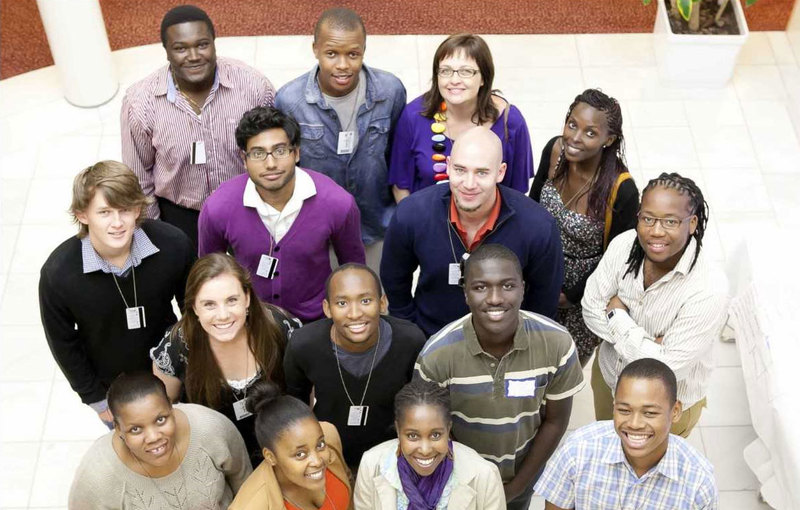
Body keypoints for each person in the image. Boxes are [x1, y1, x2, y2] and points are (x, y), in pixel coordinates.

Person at [415, 244, 584, 510]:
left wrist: (515, 489)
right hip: (457, 480)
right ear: (466, 294)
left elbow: (556, 420)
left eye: (507, 286)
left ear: (523, 288)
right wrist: (470, 481)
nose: (495, 298)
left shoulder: (557, 343)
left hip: (522, 477)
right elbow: (432, 432)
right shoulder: (437, 355)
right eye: (481, 287)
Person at [39, 161, 195, 428]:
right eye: (104, 212)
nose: (117, 223)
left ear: (138, 209)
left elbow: (192, 308)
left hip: (176, 374)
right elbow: (63, 342)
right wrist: (95, 398)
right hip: (114, 387)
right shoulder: (59, 273)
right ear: (83, 215)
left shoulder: (173, 244)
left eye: (125, 210)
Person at [582, 173, 729, 438]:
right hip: (610, 381)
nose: (656, 231)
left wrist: (617, 315)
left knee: (649, 473)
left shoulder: (709, 288)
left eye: (670, 221)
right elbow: (590, 307)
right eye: (648, 218)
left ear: (692, 223)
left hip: (665, 405)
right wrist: (651, 345)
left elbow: (669, 368)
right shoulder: (624, 245)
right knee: (606, 449)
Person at [381, 126, 563, 337]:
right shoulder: (412, 213)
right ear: (448, 166)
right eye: (460, 170)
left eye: (481, 172)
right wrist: (413, 334)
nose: (469, 184)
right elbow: (394, 281)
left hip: (505, 345)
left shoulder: (538, 226)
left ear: (500, 172)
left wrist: (518, 346)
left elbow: (543, 303)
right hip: (430, 337)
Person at [122, 5, 276, 247]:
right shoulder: (140, 103)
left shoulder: (254, 87)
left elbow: (276, 150)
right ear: (166, 52)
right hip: (181, 214)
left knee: (253, 276)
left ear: (214, 43)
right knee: (194, 281)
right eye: (180, 48)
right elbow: (138, 180)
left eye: (202, 44)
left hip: (248, 205)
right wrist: (157, 233)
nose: (193, 56)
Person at [198, 106, 365, 322]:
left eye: (280, 150)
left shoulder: (337, 203)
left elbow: (354, 269)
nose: (271, 164)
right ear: (243, 158)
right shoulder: (218, 207)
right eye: (258, 153)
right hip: (250, 322)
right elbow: (207, 275)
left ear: (296, 153)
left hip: (317, 323)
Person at [275, 7, 406, 273]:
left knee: (376, 302)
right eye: (332, 54)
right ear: (315, 49)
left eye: (353, 54)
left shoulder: (390, 91)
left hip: (376, 226)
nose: (343, 65)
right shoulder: (289, 101)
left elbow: (396, 156)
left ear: (364, 50)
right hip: (317, 231)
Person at [151, 253, 302, 467]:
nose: (223, 315)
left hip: (282, 451)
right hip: (215, 458)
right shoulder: (177, 345)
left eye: (232, 300)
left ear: (247, 298)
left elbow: (305, 396)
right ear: (194, 307)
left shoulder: (280, 327)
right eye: (209, 304)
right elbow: (164, 411)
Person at [529, 89, 639, 366]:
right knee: (527, 350)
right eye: (572, 125)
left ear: (608, 139)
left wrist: (572, 295)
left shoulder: (620, 188)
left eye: (590, 133)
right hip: (537, 272)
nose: (575, 138)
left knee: (563, 364)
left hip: (582, 289)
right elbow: (531, 207)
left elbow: (618, 257)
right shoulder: (555, 150)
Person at [284, 263, 426, 470]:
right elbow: (295, 406)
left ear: (383, 303)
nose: (355, 313)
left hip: (391, 456)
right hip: (328, 455)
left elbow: (420, 406)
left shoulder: (410, 340)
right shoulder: (303, 344)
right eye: (342, 303)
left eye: (366, 300)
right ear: (327, 308)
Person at [534, 358, 718, 509]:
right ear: (614, 406)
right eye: (624, 410)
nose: (635, 424)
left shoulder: (698, 481)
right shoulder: (578, 450)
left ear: (675, 411)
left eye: (650, 413)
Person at [69, 372, 252, 508]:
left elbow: (249, 487)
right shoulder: (97, 475)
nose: (154, 437)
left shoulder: (212, 428)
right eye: (135, 429)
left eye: (160, 419)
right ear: (118, 429)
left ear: (171, 408)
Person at [389, 33, 532, 198]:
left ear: (484, 78)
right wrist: (414, 223)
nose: (454, 80)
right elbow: (401, 186)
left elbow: (517, 193)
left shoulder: (511, 122)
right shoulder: (414, 115)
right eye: (446, 71)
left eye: (466, 71)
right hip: (426, 220)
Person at [355, 379, 506, 509]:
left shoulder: (484, 476)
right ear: (398, 430)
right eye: (412, 436)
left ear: (448, 429)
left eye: (435, 435)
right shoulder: (371, 465)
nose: (425, 450)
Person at [229, 381, 352, 509]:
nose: (317, 461)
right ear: (270, 456)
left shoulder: (329, 435)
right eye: (300, 454)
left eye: (320, 445)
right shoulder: (251, 505)